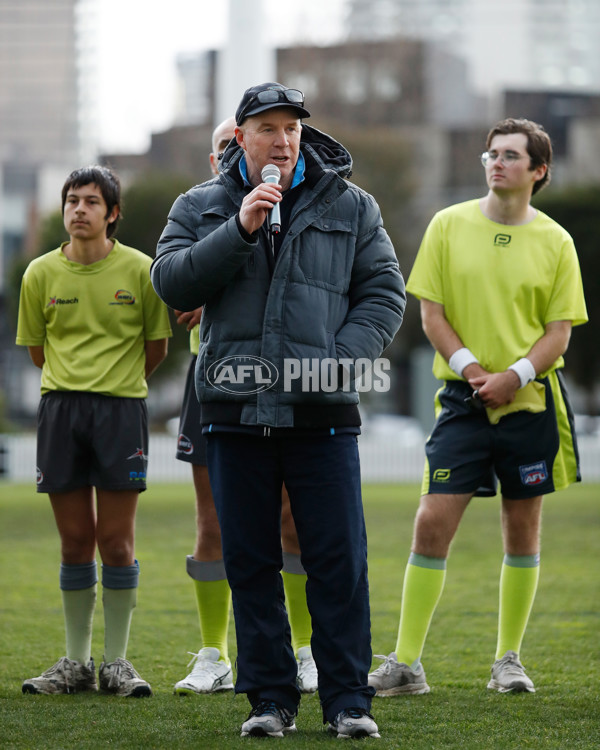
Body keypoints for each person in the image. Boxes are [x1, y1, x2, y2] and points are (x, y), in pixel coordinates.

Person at [151, 82, 405, 738]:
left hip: (322, 413)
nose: (283, 140)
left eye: (291, 127)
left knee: (338, 560)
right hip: (235, 413)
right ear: (240, 138)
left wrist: (334, 361)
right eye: (267, 128)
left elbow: (384, 293)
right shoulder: (200, 205)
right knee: (250, 562)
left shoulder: (352, 206)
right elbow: (171, 280)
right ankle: (269, 700)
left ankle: (349, 702)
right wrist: (240, 228)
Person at [369, 118, 588, 697]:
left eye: (511, 155)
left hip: (529, 405)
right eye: (491, 154)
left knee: (522, 530)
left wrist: (514, 376)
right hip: (463, 402)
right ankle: (407, 665)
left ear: (538, 170)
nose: (496, 162)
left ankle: (508, 661)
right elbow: (431, 316)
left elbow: (558, 332)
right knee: (430, 522)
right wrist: (473, 372)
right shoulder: (448, 225)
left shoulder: (557, 241)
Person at [172, 116, 317, 696]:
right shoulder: (198, 216)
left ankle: (305, 651)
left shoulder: (297, 212)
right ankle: (213, 654)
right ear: (220, 160)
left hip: (285, 386)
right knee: (214, 524)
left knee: (291, 523)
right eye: (223, 149)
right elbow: (179, 291)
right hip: (215, 390)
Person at [16, 165, 172, 697]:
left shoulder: (141, 271)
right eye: (71, 201)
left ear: (113, 214)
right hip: (60, 411)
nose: (79, 210)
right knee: (76, 541)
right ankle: (77, 664)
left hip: (121, 412)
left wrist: (116, 383)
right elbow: (38, 351)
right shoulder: (39, 273)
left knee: (117, 542)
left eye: (90, 202)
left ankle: (117, 664)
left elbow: (156, 348)